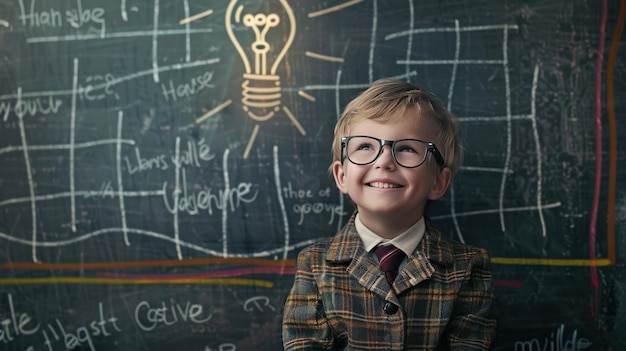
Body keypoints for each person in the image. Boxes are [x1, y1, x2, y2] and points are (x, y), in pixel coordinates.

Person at [282, 79, 498, 350]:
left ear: (438, 182)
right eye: (365, 147)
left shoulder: (467, 267)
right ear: (342, 176)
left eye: (407, 148)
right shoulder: (314, 265)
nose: (384, 160)